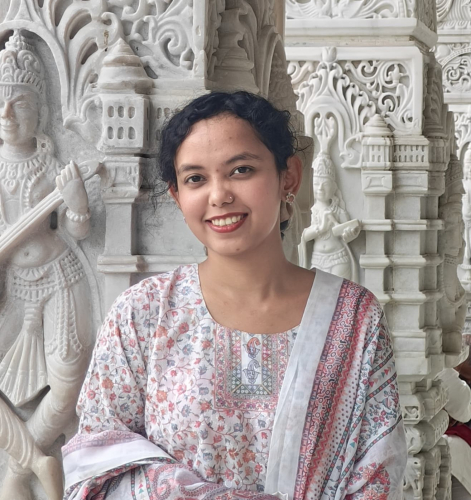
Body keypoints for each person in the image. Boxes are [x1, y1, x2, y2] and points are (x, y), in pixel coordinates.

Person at [63, 91, 407, 499]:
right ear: (177, 196)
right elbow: (97, 467)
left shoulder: (352, 318)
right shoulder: (144, 314)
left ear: (288, 177)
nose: (219, 195)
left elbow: (377, 474)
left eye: (241, 170)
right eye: (195, 179)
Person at [0, 31, 92, 500]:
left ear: (40, 110)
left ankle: (19, 471)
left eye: (19, 103)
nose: (6, 114)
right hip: (5, 286)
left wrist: (77, 204)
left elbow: (79, 230)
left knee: (67, 383)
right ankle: (38, 460)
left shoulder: (52, 166)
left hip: (59, 277)